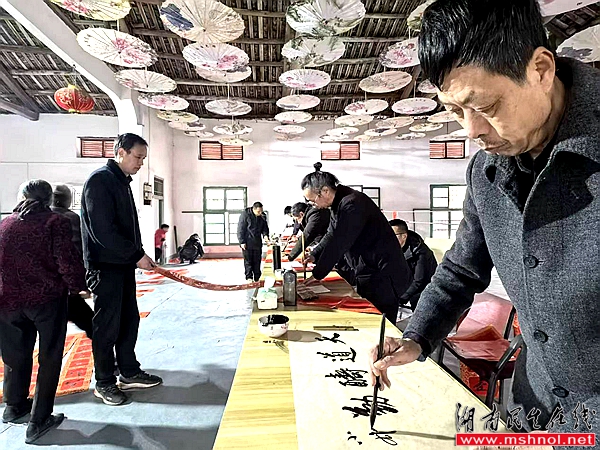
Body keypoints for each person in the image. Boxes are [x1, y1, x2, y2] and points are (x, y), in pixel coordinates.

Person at [368, 1, 600, 448]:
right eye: (455, 111)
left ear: (540, 69)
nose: (470, 131)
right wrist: (416, 336)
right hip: (534, 406)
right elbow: (460, 271)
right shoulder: (486, 173)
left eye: (486, 106)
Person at [0, 180, 88, 443]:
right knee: (49, 357)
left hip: (7, 302)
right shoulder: (54, 222)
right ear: (49, 199)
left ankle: (14, 406)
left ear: (22, 196)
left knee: (15, 355)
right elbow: (66, 260)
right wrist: (78, 287)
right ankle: (39, 420)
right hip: (46, 301)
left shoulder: (5, 223)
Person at [81, 133, 162, 407]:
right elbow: (103, 231)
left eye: (143, 158)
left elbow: (126, 228)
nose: (140, 163)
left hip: (122, 265)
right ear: (120, 152)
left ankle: (128, 371)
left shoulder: (121, 182)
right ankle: (104, 381)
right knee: (107, 326)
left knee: (129, 320)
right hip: (105, 268)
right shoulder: (100, 181)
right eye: (137, 157)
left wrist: (137, 254)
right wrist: (136, 255)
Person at [302, 163, 412, 321]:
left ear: (325, 191)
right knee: (369, 318)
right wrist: (314, 254)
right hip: (369, 270)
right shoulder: (339, 204)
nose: (314, 205)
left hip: (383, 274)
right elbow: (331, 234)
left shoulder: (352, 204)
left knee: (382, 323)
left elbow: (339, 242)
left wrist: (318, 273)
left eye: (313, 200)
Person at [51, 184, 94, 338]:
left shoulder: (41, 218)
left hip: (43, 285)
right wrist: (82, 283)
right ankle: (105, 353)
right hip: (65, 282)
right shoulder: (70, 218)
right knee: (90, 323)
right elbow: (76, 250)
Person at [389, 219, 438, 311]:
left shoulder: (421, 252)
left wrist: (400, 298)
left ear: (404, 236)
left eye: (393, 236)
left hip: (426, 288)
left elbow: (419, 281)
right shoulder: (393, 249)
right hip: (408, 284)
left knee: (416, 299)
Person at [237, 201, 269, 282]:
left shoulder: (262, 215)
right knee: (248, 261)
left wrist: (266, 236)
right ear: (254, 209)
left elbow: (265, 228)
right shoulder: (245, 215)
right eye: (258, 211)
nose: (260, 213)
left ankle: (257, 277)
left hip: (257, 242)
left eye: (261, 211)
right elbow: (240, 229)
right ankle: (249, 277)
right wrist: (242, 242)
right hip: (247, 242)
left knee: (257, 260)